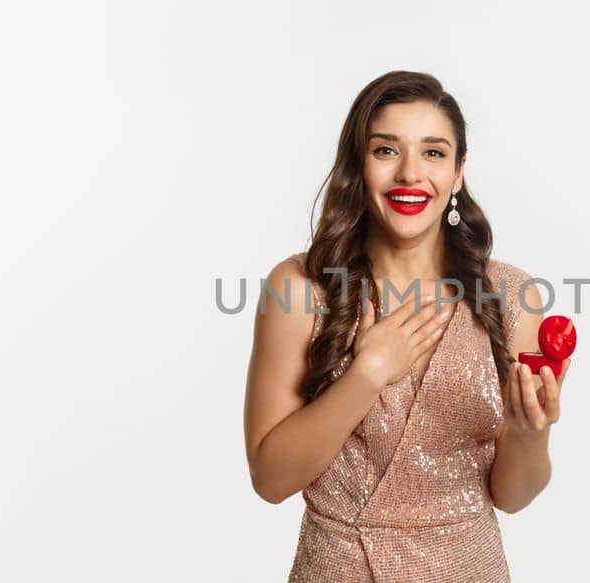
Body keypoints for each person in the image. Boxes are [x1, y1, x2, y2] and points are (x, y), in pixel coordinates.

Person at [243, 70, 571, 581]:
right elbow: (271, 479)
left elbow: (514, 496)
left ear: (459, 173)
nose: (410, 175)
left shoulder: (513, 296)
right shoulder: (300, 288)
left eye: (434, 153)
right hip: (340, 568)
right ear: (359, 165)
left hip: (470, 568)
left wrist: (530, 434)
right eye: (386, 150)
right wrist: (367, 373)